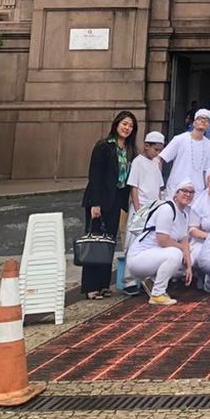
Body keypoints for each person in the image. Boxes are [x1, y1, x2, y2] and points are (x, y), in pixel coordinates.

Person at [81, 110, 138, 300]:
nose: (127, 128)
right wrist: (95, 203)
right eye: (124, 124)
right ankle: (90, 287)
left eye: (131, 126)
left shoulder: (129, 150)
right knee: (94, 243)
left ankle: (103, 285)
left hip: (115, 202)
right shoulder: (104, 147)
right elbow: (95, 176)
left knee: (108, 244)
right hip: (99, 201)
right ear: (116, 124)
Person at [126, 177, 195, 306]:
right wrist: (182, 250)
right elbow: (162, 240)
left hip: (154, 255)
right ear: (176, 193)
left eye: (191, 192)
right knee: (176, 254)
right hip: (138, 258)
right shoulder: (167, 209)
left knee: (190, 257)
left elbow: (184, 240)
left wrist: (189, 266)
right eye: (184, 191)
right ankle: (157, 294)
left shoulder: (184, 214)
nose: (188, 194)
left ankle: (152, 281)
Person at [160, 109, 210, 195]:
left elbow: (206, 171)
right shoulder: (180, 139)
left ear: (209, 125)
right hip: (177, 189)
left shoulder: (209, 144)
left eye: (207, 120)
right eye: (200, 118)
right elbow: (160, 159)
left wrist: (207, 191)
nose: (203, 121)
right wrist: (158, 184)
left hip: (197, 192)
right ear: (194, 122)